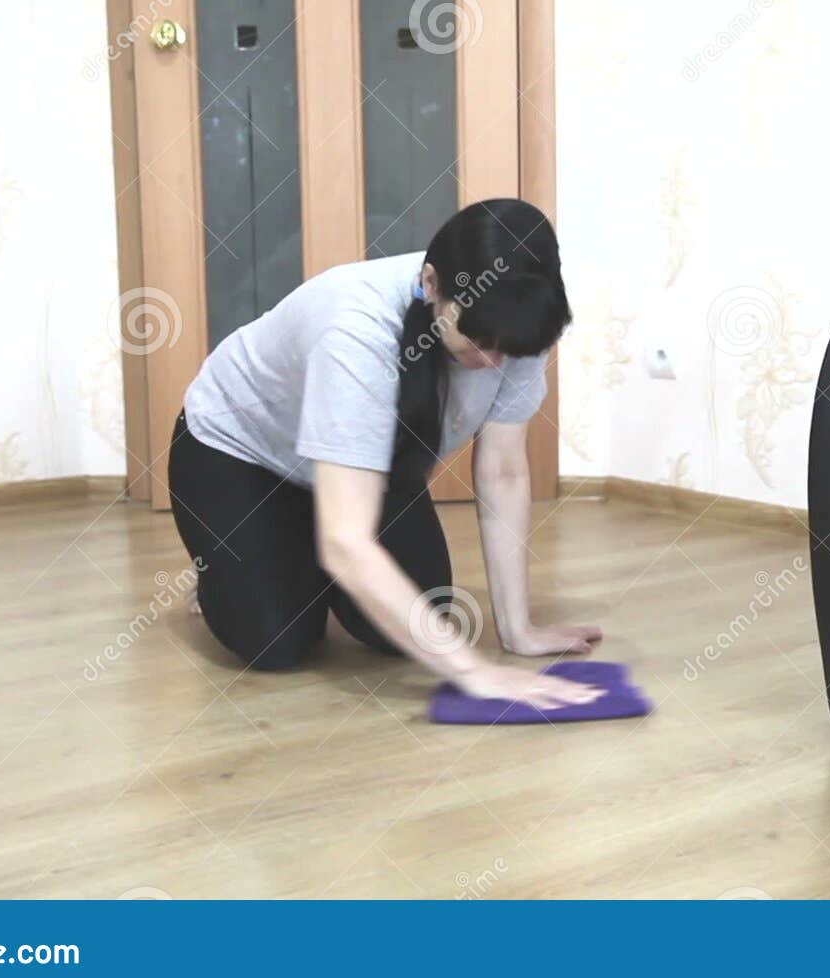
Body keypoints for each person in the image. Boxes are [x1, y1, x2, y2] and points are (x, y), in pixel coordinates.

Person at [168, 199, 605, 710]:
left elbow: (503, 470)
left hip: (364, 468)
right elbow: (347, 544)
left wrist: (518, 630)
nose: (491, 361)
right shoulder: (355, 330)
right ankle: (229, 564)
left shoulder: (520, 324)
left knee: (422, 619)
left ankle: (299, 547)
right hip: (241, 452)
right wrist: (475, 672)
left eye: (506, 348)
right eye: (478, 341)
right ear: (431, 283)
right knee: (276, 641)